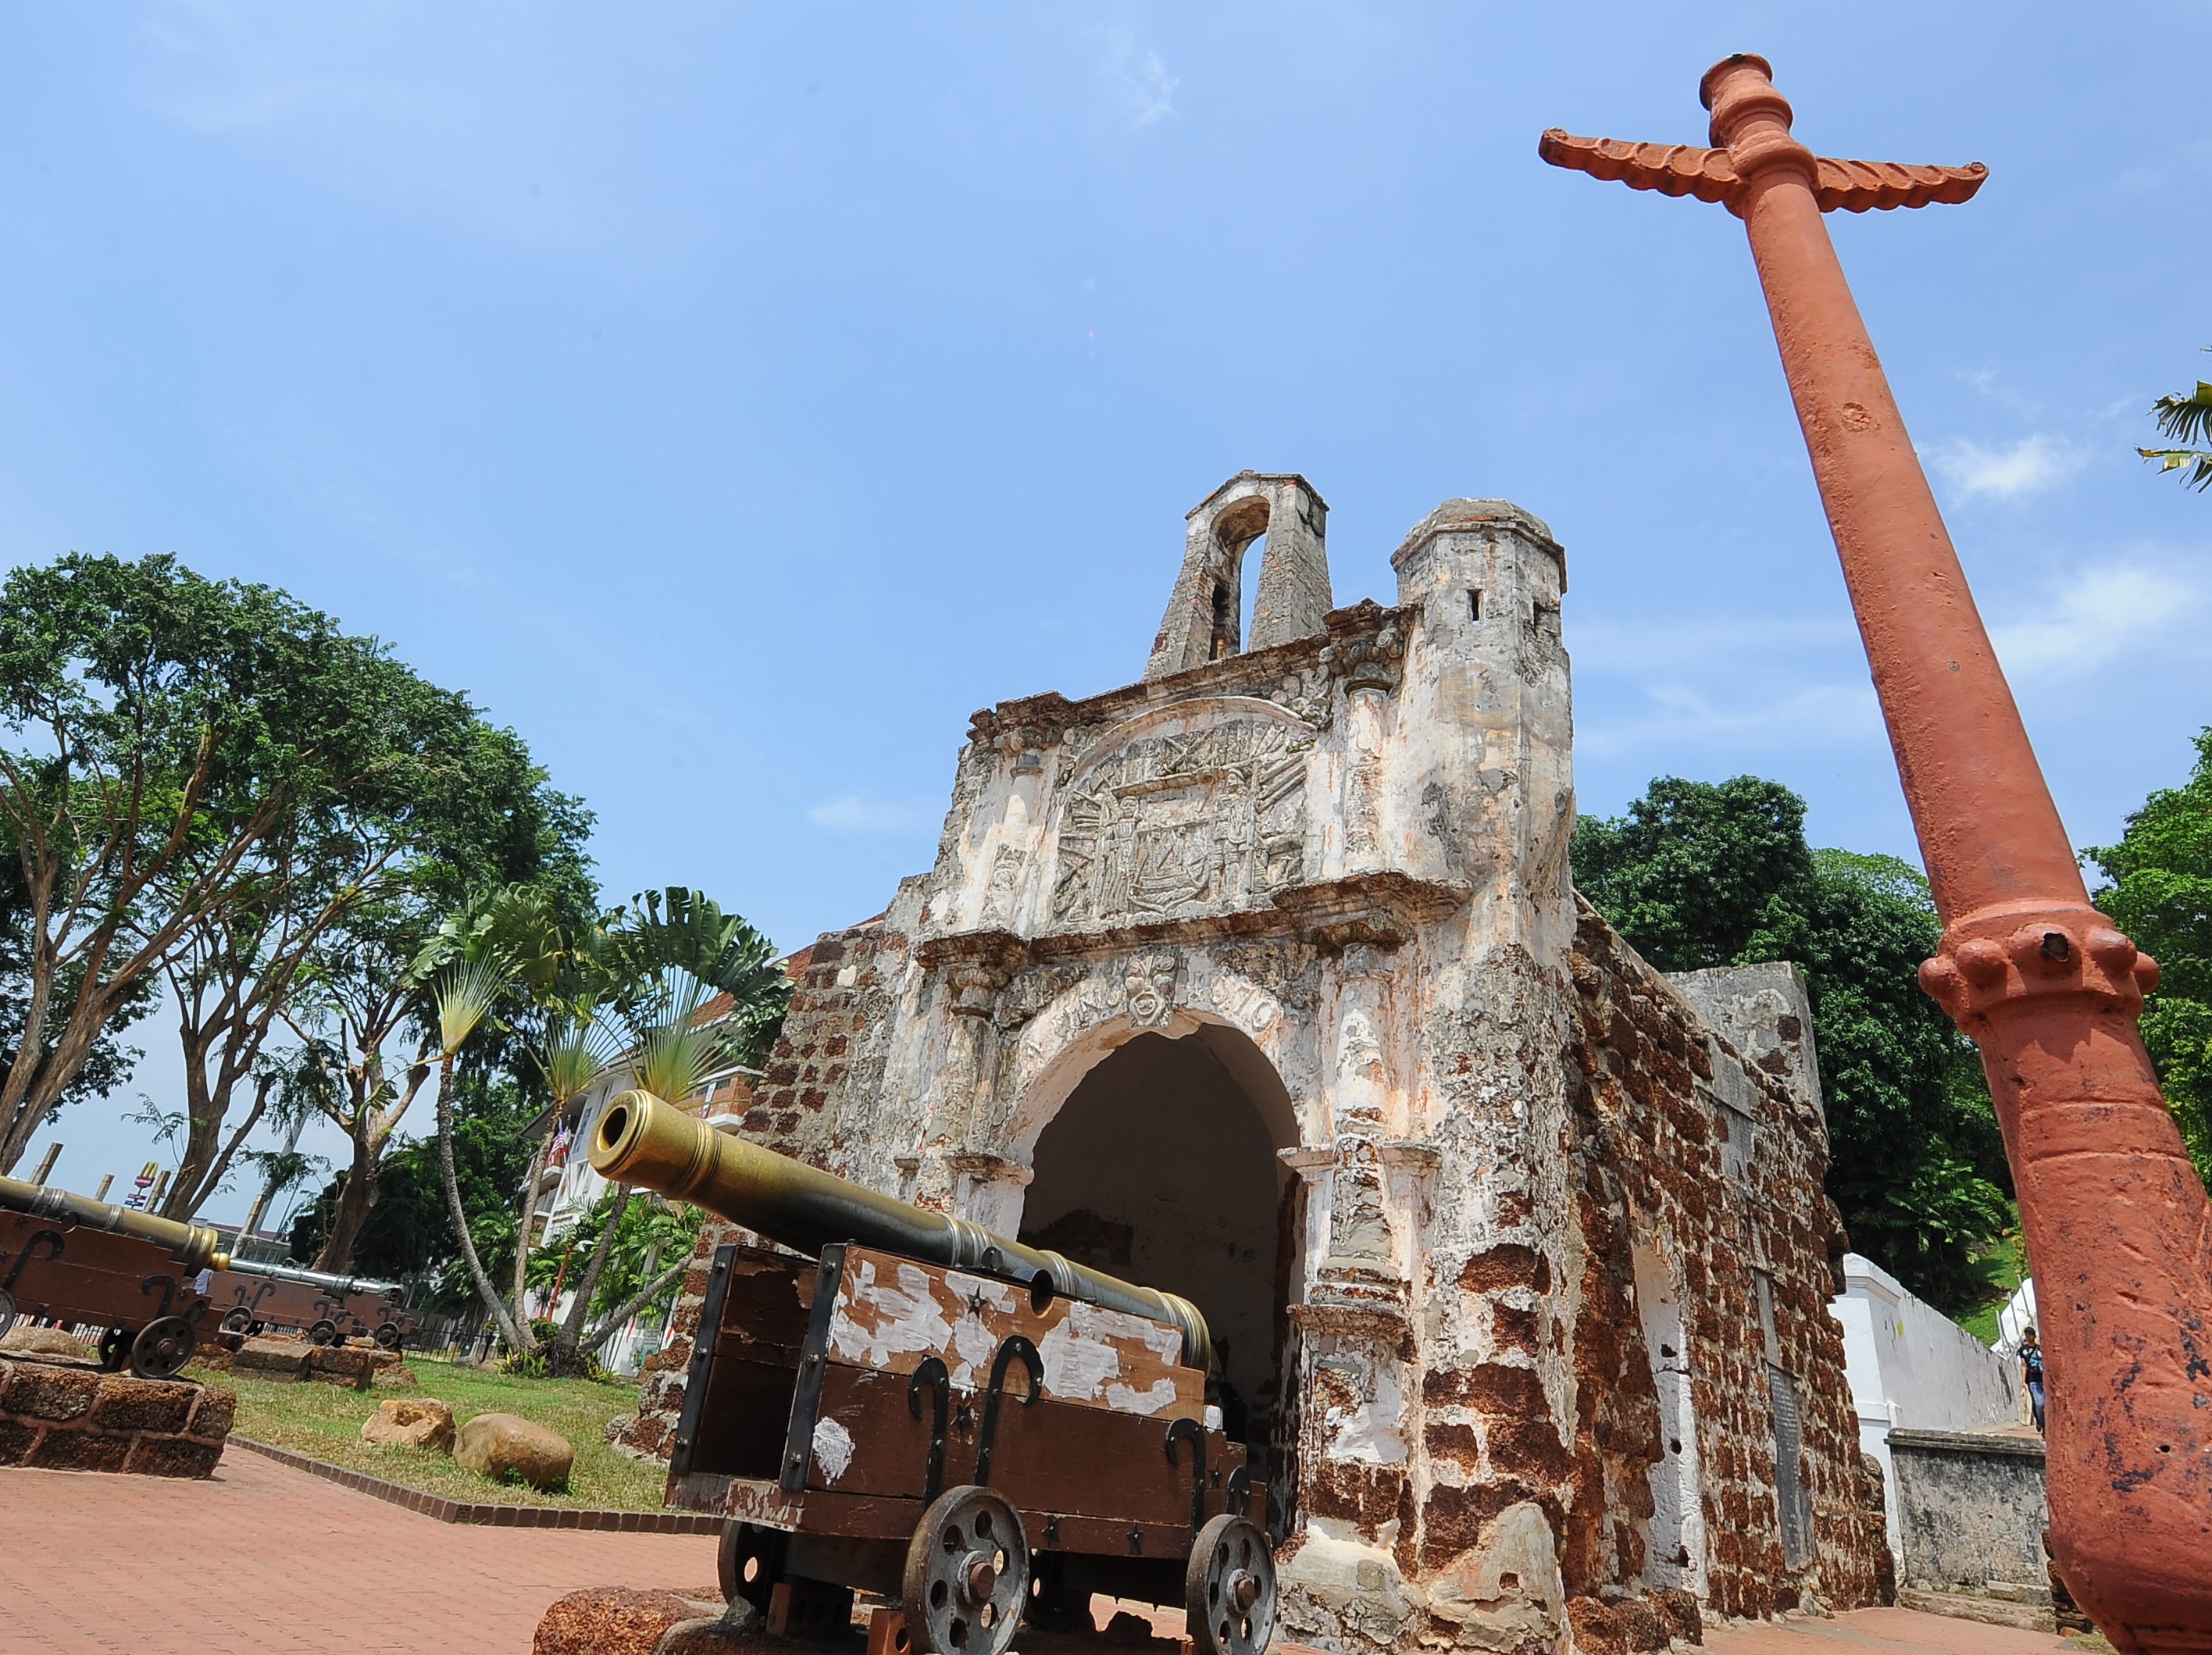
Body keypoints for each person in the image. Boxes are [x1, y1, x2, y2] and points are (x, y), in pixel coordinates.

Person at [2019, 1325, 2046, 1434]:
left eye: (2030, 1334)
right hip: (2032, 1380)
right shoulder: (2023, 1350)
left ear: (2034, 1336)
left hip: (2043, 1379)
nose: (2028, 1336)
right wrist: (2024, 1382)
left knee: (2045, 1403)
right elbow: (2023, 1365)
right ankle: (2041, 1423)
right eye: (2026, 1334)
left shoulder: (2040, 1349)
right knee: (2038, 1403)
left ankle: (2044, 1423)